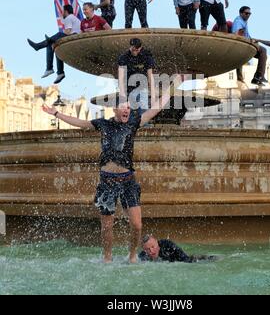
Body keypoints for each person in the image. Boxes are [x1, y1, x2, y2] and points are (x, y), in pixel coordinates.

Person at [42, 76, 182, 264]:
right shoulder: (103, 124)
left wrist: (173, 87)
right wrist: (56, 114)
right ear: (115, 109)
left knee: (137, 225)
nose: (127, 109)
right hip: (107, 181)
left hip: (127, 181)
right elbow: (80, 123)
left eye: (128, 107)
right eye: (123, 107)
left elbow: (156, 108)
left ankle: (132, 255)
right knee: (107, 227)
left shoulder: (134, 123)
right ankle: (107, 257)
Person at [27, 5, 81, 84]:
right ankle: (59, 72)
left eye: (62, 11)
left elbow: (68, 32)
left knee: (55, 38)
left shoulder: (69, 18)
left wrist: (57, 37)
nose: (61, 13)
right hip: (75, 39)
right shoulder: (74, 18)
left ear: (66, 11)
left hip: (74, 39)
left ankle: (40, 48)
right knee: (55, 47)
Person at [118, 38, 156, 120]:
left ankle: (143, 127)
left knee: (143, 112)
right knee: (130, 115)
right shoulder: (123, 57)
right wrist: (123, 95)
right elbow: (121, 78)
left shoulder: (146, 56)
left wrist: (153, 97)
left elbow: (150, 76)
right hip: (129, 88)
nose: (135, 52)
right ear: (130, 47)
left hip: (142, 87)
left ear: (141, 47)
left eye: (137, 50)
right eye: (133, 50)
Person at [232, 7, 268, 86]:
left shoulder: (244, 21)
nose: (248, 15)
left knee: (262, 52)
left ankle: (254, 77)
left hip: (246, 44)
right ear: (241, 13)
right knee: (263, 51)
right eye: (246, 13)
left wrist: (252, 39)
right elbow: (237, 35)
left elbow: (246, 35)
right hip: (242, 45)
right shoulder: (238, 21)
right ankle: (258, 76)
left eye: (249, 14)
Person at [139, 235, 217, 263]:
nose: (151, 251)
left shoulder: (167, 245)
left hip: (182, 259)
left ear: (157, 242)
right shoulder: (143, 255)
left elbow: (184, 257)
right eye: (148, 249)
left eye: (153, 247)